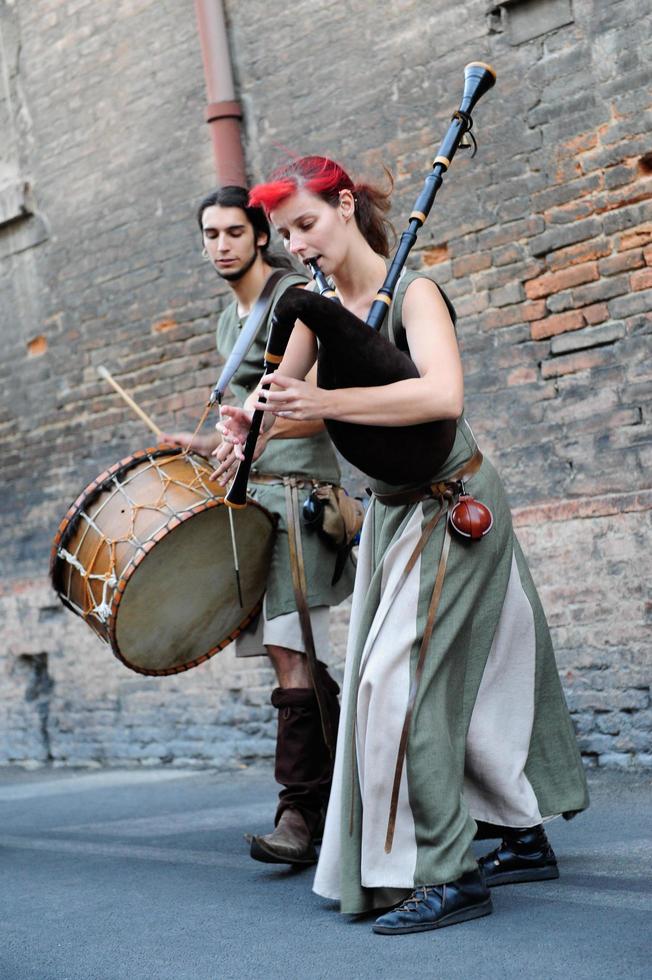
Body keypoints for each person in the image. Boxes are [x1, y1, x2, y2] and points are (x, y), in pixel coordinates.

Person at [217, 157, 590, 935]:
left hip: (454, 501)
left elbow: (439, 396)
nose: (297, 242)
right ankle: (520, 836)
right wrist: (246, 428)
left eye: (307, 224)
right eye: (285, 233)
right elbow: (290, 410)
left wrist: (320, 398)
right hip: (392, 510)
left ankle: (447, 872)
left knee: (396, 683)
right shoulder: (315, 305)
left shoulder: (414, 292)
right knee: (480, 673)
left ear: (346, 206)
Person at [163, 186, 355, 865]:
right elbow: (249, 418)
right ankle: (336, 799)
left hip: (300, 494)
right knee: (287, 652)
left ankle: (301, 812)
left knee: (291, 647)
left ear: (258, 235)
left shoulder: (291, 302)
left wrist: (257, 439)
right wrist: (208, 446)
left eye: (233, 232)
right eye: (210, 234)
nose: (221, 244)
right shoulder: (229, 320)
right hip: (254, 504)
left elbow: (329, 406)